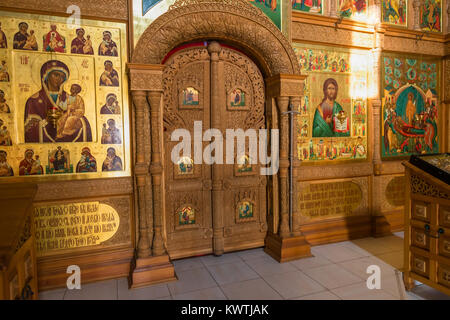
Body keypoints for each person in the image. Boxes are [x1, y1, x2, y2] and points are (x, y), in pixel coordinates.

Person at [24, 60, 92, 143]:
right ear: (46, 76)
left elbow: (81, 116)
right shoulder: (34, 100)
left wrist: (78, 121)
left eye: (62, 77)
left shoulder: (70, 97)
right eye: (56, 75)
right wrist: (46, 121)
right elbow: (29, 128)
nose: (59, 79)